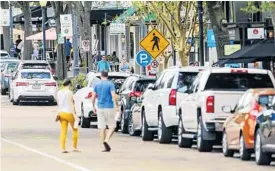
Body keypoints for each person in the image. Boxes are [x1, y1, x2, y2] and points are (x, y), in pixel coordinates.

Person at [91, 71, 120, 152]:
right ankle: (106, 139)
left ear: (101, 76)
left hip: (100, 108)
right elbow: (114, 96)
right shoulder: (110, 84)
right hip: (109, 107)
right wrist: (117, 106)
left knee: (102, 127)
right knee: (112, 126)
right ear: (107, 76)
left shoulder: (97, 84)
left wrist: (93, 106)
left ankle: (104, 146)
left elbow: (93, 97)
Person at [56, 79, 80, 153]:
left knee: (63, 131)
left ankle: (63, 148)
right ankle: (74, 147)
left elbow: (58, 104)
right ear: (69, 84)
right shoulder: (69, 92)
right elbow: (71, 104)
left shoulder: (59, 92)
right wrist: (75, 115)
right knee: (75, 130)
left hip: (61, 113)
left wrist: (58, 113)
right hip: (69, 113)